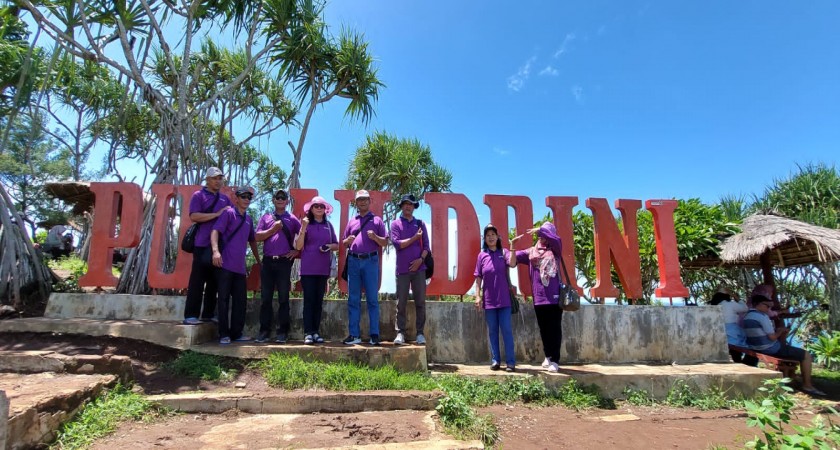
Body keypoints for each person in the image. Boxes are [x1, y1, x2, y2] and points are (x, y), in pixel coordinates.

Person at [743, 284, 825, 396]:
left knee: (786, 347)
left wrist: (778, 332)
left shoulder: (747, 316)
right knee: (806, 355)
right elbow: (772, 337)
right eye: (767, 306)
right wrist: (780, 331)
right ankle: (807, 385)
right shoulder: (762, 317)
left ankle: (793, 377)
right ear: (759, 304)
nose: (768, 309)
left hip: (755, 347)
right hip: (769, 348)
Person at [510, 222, 564, 373]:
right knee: (544, 329)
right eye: (540, 235)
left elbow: (556, 239)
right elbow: (512, 260)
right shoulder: (531, 252)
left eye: (545, 234)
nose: (542, 237)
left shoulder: (556, 250)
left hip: (554, 298)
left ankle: (555, 360)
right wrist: (512, 246)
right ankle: (548, 356)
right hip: (539, 298)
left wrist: (541, 229)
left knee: (554, 329)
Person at [211, 186, 260, 344]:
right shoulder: (228, 213)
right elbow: (215, 231)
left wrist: (258, 260)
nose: (246, 199)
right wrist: (215, 251)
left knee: (240, 301)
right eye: (243, 196)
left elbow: (252, 241)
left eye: (249, 197)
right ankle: (224, 334)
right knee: (223, 300)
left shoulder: (248, 219)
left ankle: (237, 333)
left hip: (240, 268)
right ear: (236, 198)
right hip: (224, 264)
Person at [183, 167, 232, 325]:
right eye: (214, 178)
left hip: (219, 247)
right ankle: (191, 315)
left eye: (220, 178)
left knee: (214, 282)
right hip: (201, 244)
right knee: (197, 280)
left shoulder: (225, 199)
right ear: (207, 180)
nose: (218, 181)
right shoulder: (199, 195)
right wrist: (216, 215)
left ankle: (208, 314)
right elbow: (194, 216)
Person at [341, 190, 388, 346]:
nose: (362, 202)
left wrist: (375, 237)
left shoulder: (377, 220)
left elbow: (385, 242)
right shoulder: (352, 221)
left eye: (365, 199)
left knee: (372, 299)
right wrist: (347, 241)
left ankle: (374, 334)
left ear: (370, 201)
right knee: (353, 299)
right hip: (353, 261)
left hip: (370, 261)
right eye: (359, 200)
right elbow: (344, 242)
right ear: (356, 203)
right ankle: (354, 335)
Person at [254, 189, 301, 344]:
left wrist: (296, 251)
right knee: (265, 298)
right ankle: (264, 331)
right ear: (273, 200)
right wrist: (272, 230)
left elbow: (303, 236)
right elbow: (257, 237)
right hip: (268, 262)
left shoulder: (292, 219)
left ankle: (283, 332)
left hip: (284, 262)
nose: (280, 199)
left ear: (287, 201)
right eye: (277, 197)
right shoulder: (266, 217)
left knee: (283, 298)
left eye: (283, 197)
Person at [294, 195, 338, 345]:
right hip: (307, 269)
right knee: (309, 301)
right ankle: (308, 333)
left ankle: (316, 332)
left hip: (323, 270)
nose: (319, 208)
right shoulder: (306, 224)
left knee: (318, 302)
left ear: (325, 209)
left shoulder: (329, 225)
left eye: (321, 206)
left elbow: (336, 245)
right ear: (311, 209)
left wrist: (328, 246)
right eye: (316, 206)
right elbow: (298, 246)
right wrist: (303, 227)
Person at [474, 224, 516, 372]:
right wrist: (477, 296)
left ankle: (510, 362)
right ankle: (495, 360)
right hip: (489, 301)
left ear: (498, 237)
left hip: (504, 300)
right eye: (488, 235)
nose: (491, 237)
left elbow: (512, 263)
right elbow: (478, 277)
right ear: (484, 239)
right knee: (492, 331)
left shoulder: (504, 252)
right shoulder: (482, 255)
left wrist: (512, 247)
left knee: (506, 330)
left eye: (493, 234)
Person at [389, 194, 430, 345]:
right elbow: (398, 244)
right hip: (402, 270)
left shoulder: (420, 224)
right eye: (406, 203)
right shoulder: (395, 224)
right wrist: (414, 238)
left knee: (420, 302)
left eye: (411, 204)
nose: (408, 206)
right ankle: (400, 333)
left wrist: (420, 260)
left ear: (414, 207)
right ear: (401, 206)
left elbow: (426, 247)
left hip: (419, 269)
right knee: (401, 303)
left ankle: (420, 333)